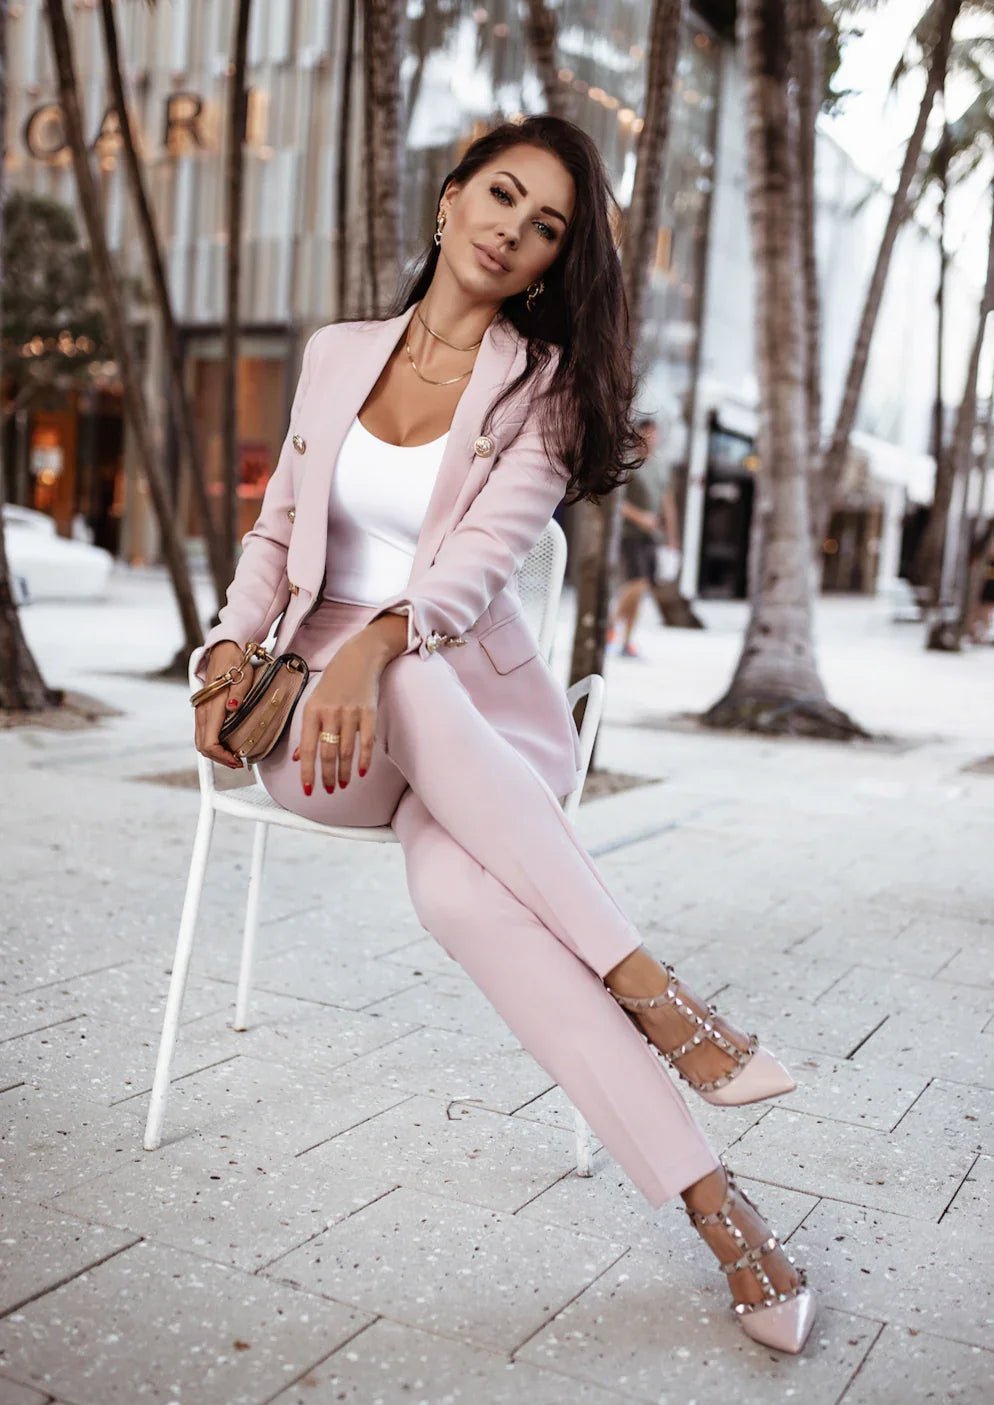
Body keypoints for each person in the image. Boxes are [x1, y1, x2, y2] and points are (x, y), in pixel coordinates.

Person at [192, 115, 816, 1355]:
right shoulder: (334, 355)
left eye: (545, 230)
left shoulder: (542, 386)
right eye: (501, 197)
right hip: (325, 735)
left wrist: (385, 637)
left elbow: (479, 564)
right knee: (401, 680)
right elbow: (274, 535)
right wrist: (225, 645)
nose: (511, 232)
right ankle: (657, 994)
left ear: (547, 268)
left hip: (488, 732)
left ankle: (722, 1213)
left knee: (465, 902)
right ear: (449, 200)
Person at [608, 416, 680, 657]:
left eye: (654, 434)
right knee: (637, 584)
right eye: (646, 434)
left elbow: (668, 504)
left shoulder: (661, 467)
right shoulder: (628, 463)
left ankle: (627, 641)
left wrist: (672, 540)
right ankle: (609, 624)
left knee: (643, 589)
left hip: (653, 537)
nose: (651, 439)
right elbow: (618, 503)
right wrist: (641, 518)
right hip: (631, 534)